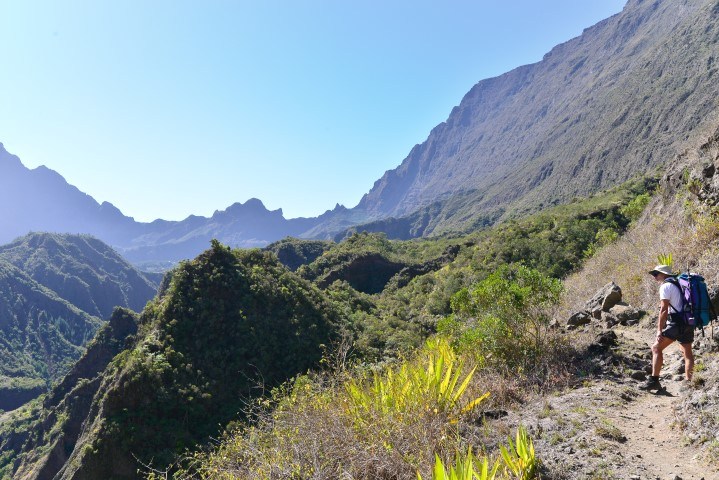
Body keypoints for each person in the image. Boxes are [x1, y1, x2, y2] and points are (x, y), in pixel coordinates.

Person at [639, 264, 694, 391]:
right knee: (687, 353)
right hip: (688, 322)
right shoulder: (680, 284)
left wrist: (659, 330)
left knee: (656, 348)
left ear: (664, 274)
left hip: (676, 323)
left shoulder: (666, 286)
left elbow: (664, 309)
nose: (654, 277)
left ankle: (654, 381)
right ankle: (689, 383)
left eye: (656, 274)